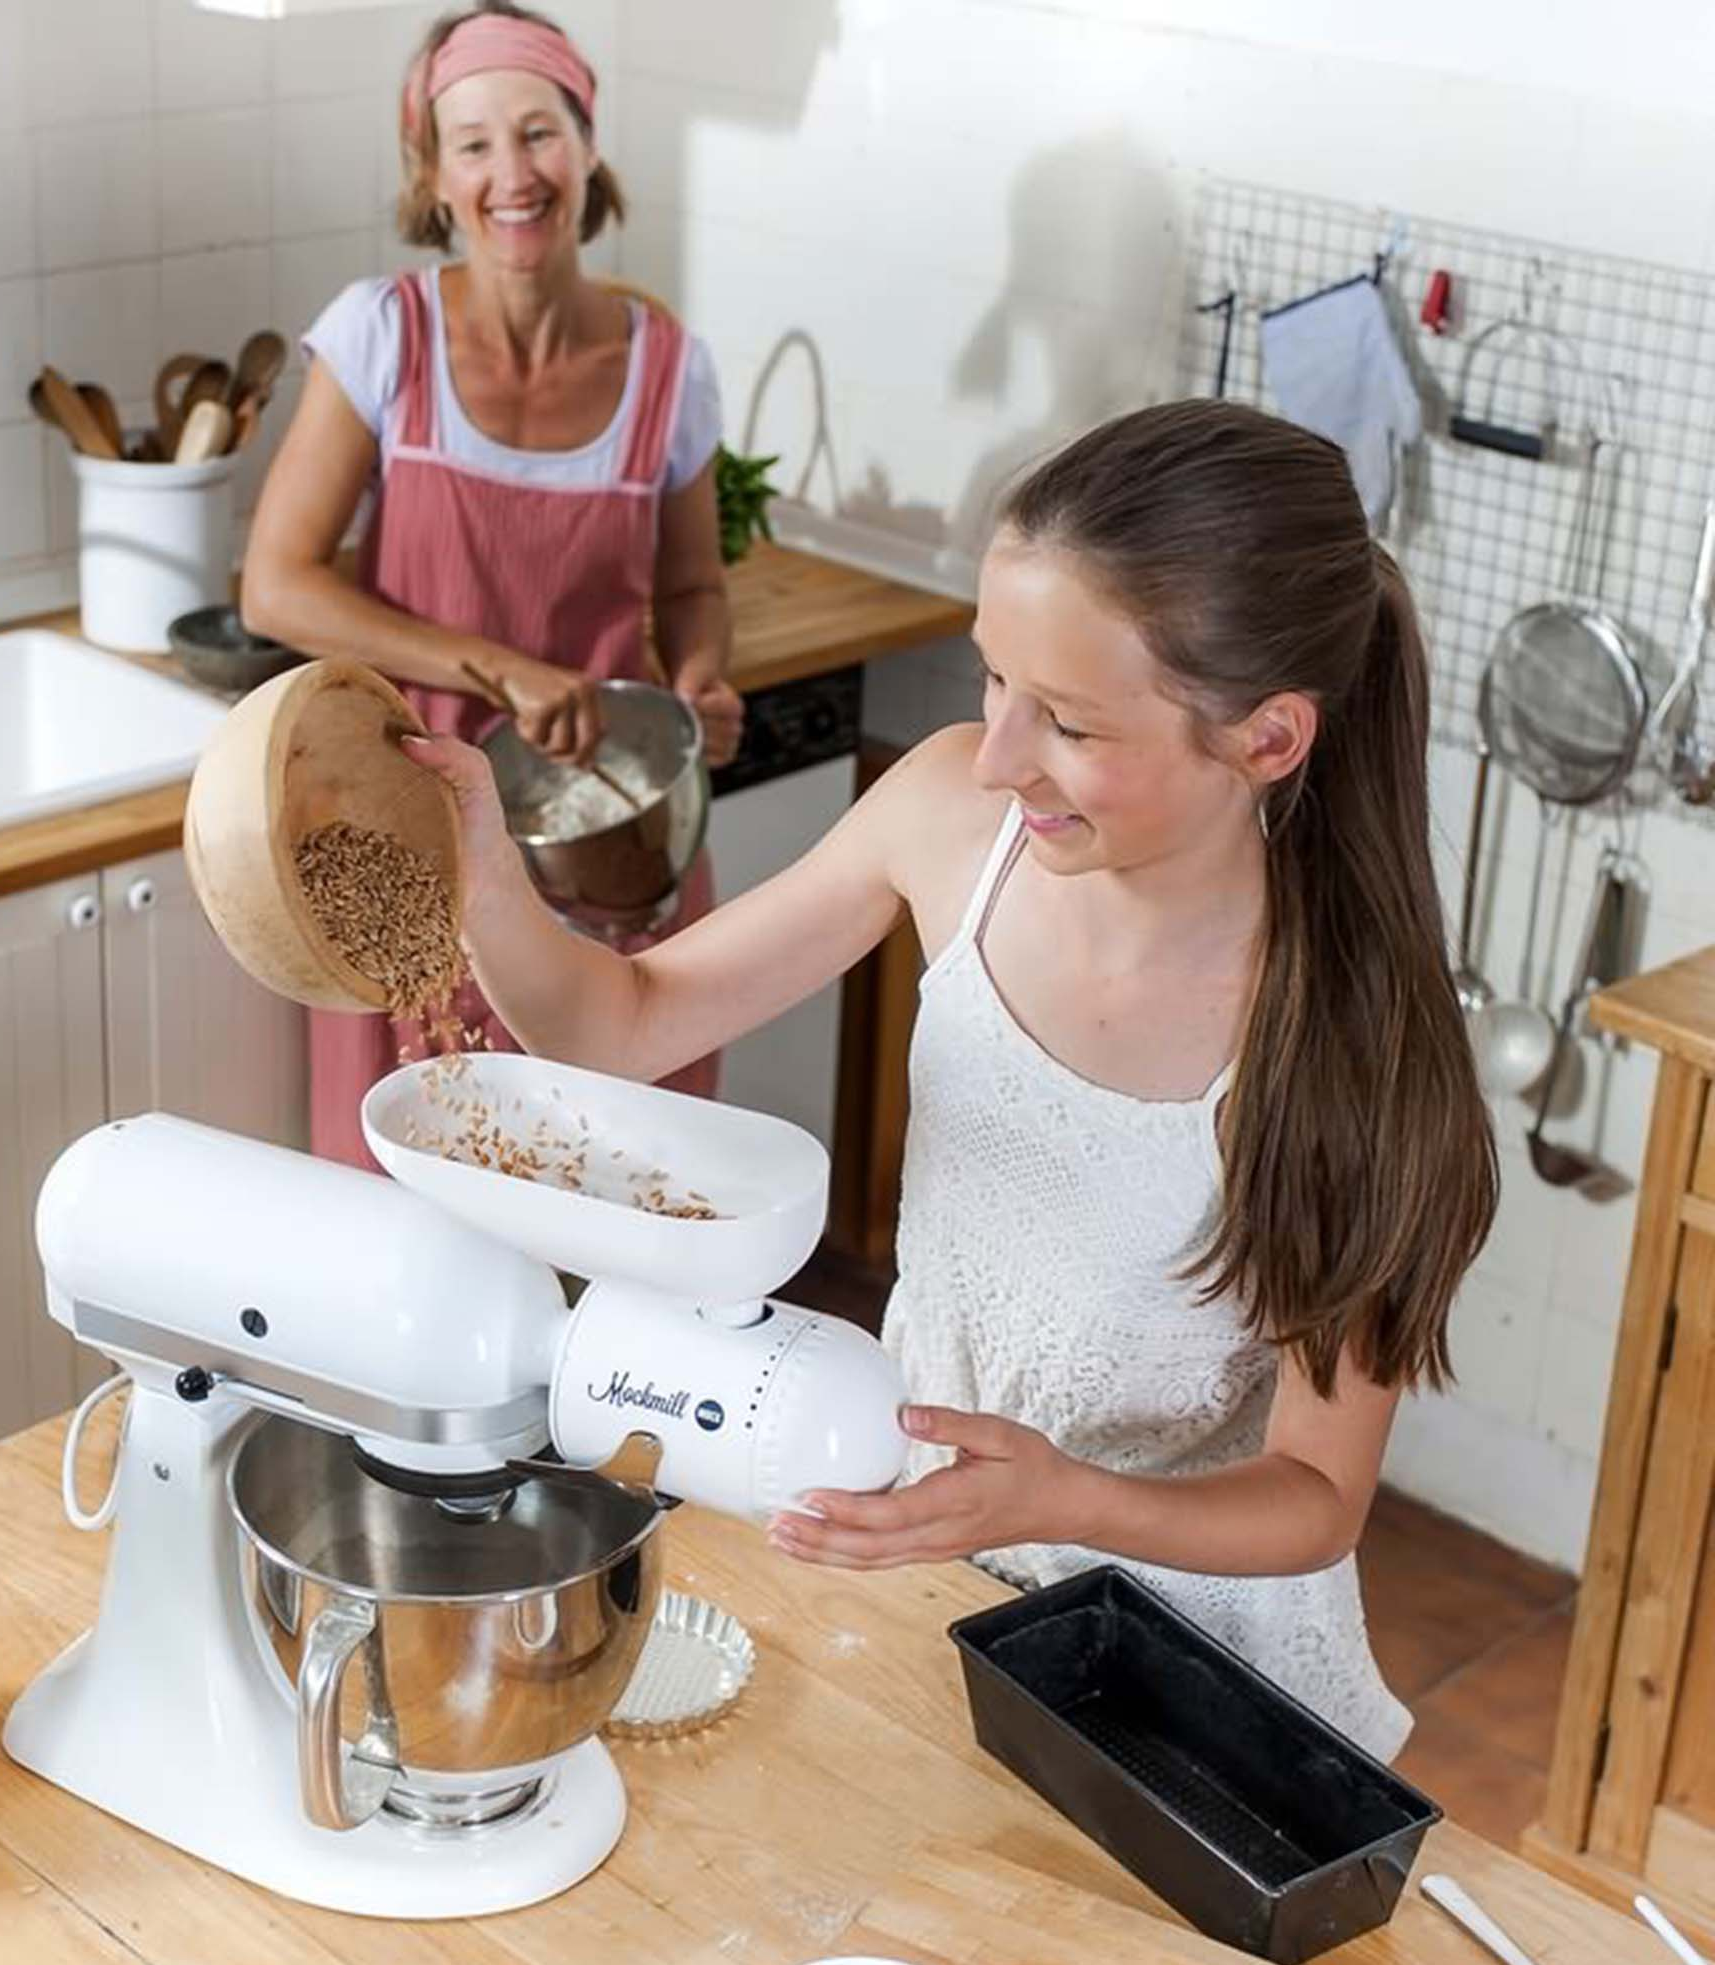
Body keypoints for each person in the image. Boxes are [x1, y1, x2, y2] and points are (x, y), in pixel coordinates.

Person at [405, 399, 1499, 1759]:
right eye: (994, 681)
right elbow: (619, 1019)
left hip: (1185, 1670)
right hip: (931, 1563)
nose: (996, 755)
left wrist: (1059, 1498)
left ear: (1266, 739)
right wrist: (476, 865)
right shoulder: (952, 823)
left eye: (1070, 724)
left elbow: (1315, 1499)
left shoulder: (1348, 1047)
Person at [241, 0, 741, 1168]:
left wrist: (700, 681)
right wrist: (500, 670)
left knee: (615, 1193)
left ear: (588, 146)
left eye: (538, 133)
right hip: (411, 843)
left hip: (603, 850)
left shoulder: (668, 371)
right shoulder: (383, 338)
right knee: (413, 1207)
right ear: (431, 173)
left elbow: (693, 590)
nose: (512, 175)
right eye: (472, 144)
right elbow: (276, 585)